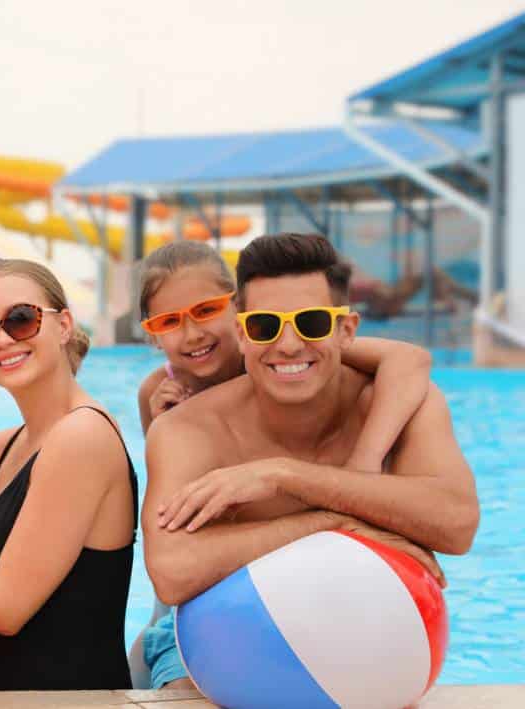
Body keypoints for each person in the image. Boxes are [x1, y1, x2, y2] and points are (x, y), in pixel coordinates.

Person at [133, 240, 435, 690]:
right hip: (205, 604)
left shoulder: (286, 347)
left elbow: (411, 359)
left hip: (298, 597)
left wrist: (363, 465)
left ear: (237, 313)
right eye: (170, 322)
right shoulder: (161, 395)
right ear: (153, 335)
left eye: (206, 310)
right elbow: (173, 517)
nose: (192, 333)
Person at [0, 258, 137, 691]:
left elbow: (7, 607)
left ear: (63, 325)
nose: (1, 340)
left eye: (20, 320)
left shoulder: (81, 437)